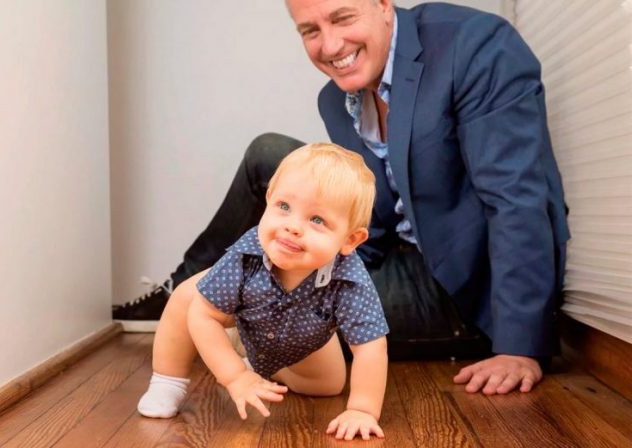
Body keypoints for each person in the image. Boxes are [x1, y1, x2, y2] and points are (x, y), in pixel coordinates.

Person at [114, 0, 570, 395]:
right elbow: (369, 216)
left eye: (342, 18)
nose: (330, 46)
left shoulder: (475, 46)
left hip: (458, 289)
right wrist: (307, 262)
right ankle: (182, 294)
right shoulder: (336, 99)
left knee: (279, 311)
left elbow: (516, 198)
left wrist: (519, 347)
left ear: (383, 4)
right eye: (310, 30)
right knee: (267, 153)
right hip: (390, 250)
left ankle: (217, 317)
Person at [137, 144, 389, 441]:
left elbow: (370, 347)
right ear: (268, 200)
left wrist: (362, 409)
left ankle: (263, 367)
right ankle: (167, 380)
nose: (292, 227)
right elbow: (204, 315)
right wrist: (235, 376)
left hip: (303, 333)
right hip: (241, 309)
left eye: (317, 220)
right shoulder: (248, 255)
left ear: (350, 240)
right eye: (284, 206)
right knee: (188, 297)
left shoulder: (350, 281)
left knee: (328, 386)